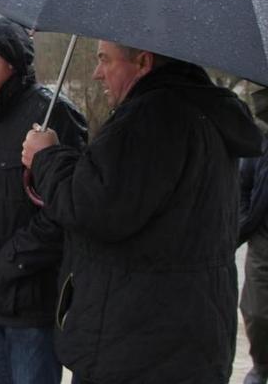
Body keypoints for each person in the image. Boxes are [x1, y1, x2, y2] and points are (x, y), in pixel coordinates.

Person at [21, 41, 263, 383]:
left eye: (105, 60)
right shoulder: (201, 110)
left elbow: (92, 207)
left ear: (143, 62)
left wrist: (46, 158)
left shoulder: (152, 117)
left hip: (138, 346)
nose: (96, 72)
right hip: (186, 338)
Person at [0, 17, 87, 384]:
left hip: (31, 302)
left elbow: (66, 210)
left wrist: (9, 262)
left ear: (11, 59)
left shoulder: (53, 115)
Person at [239, 87, 268, 384]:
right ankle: (261, 368)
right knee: (257, 314)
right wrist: (245, 220)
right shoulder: (260, 137)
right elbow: (243, 185)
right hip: (262, 241)